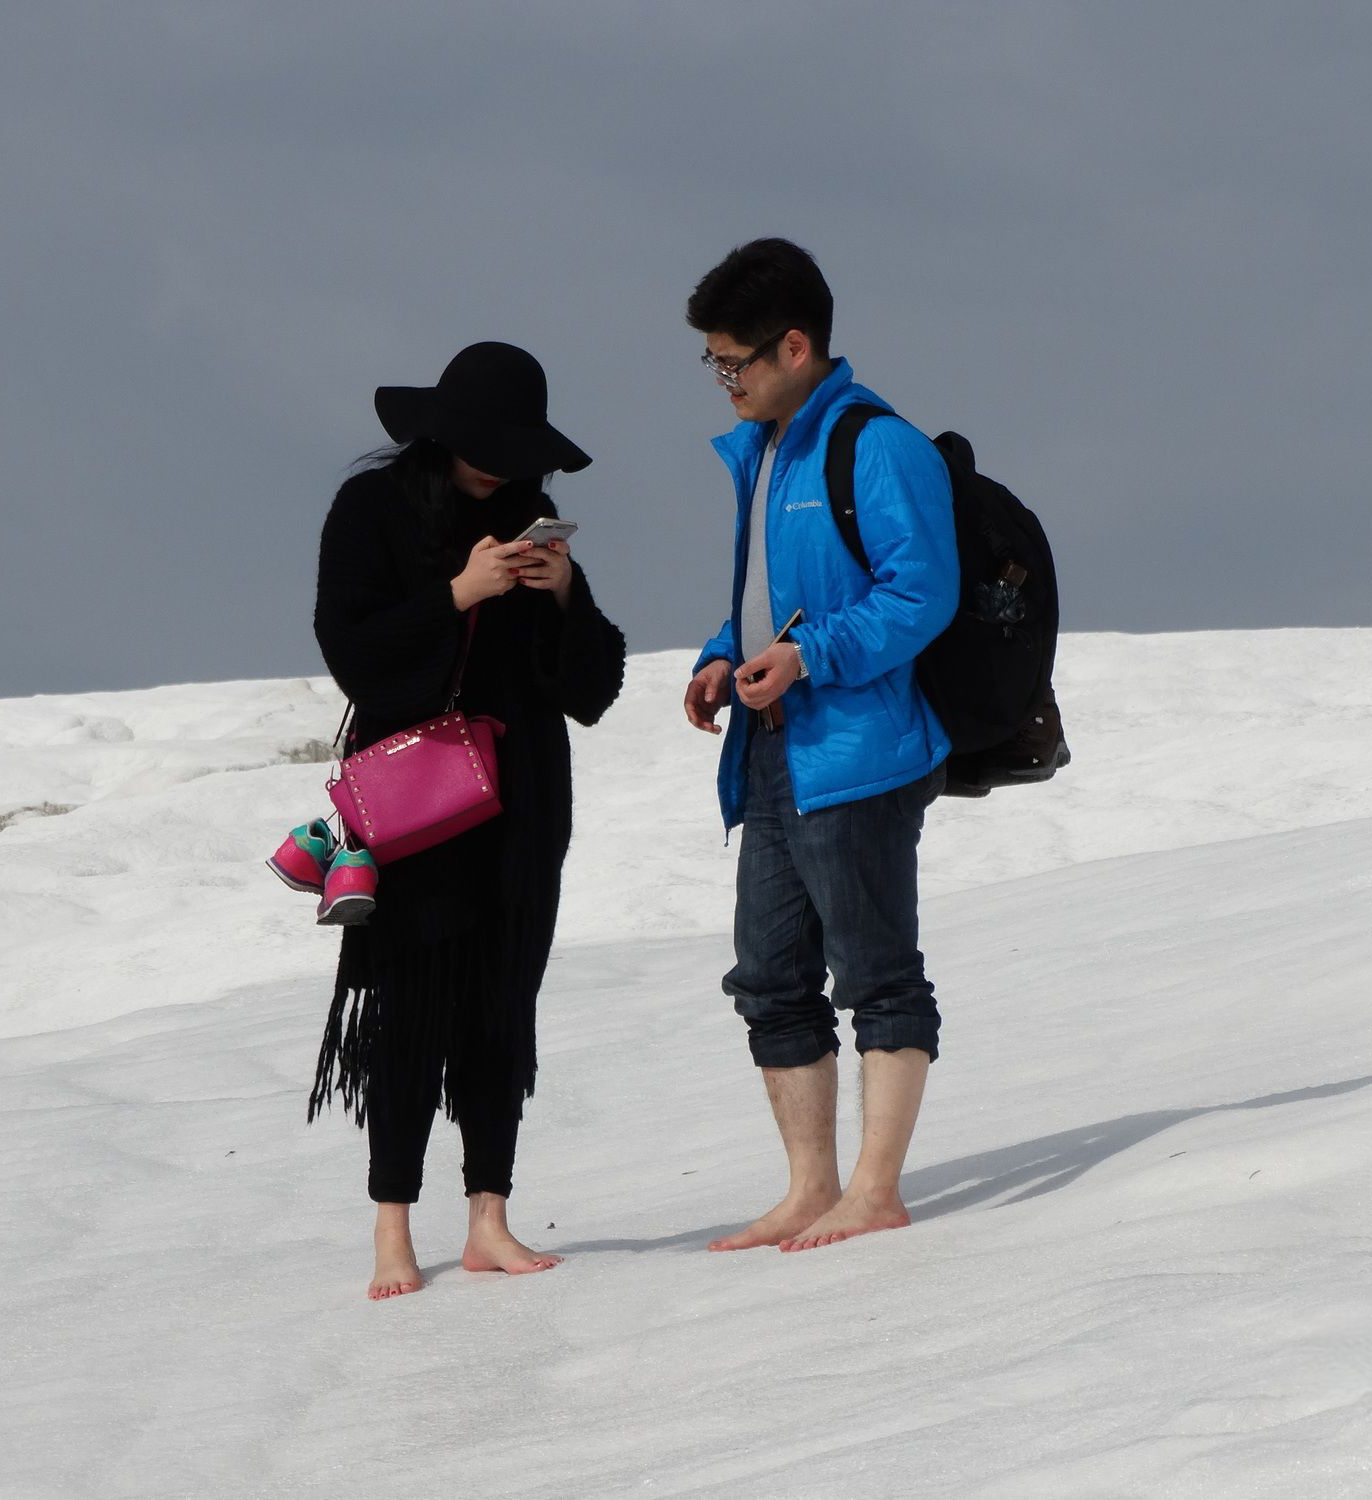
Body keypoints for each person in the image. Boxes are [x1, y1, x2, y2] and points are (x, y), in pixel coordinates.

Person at [307, 341, 626, 1299]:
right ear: (440, 433)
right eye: (485, 445)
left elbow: (594, 687)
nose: (500, 463)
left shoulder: (533, 520)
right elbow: (351, 650)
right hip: (418, 798)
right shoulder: (372, 509)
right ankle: (392, 1228)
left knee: (501, 1002)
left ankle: (490, 1216)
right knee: (409, 1006)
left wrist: (563, 592)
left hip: (523, 794)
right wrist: (457, 594)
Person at [682, 239, 958, 1252]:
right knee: (768, 977)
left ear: (793, 346)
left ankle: (874, 1190)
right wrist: (724, 656)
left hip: (858, 749)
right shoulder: (763, 450)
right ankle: (811, 1186)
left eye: (734, 363)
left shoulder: (875, 446)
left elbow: (921, 593)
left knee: (876, 971)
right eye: (714, 364)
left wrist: (810, 661)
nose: (725, 383)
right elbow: (770, 597)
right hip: (772, 748)